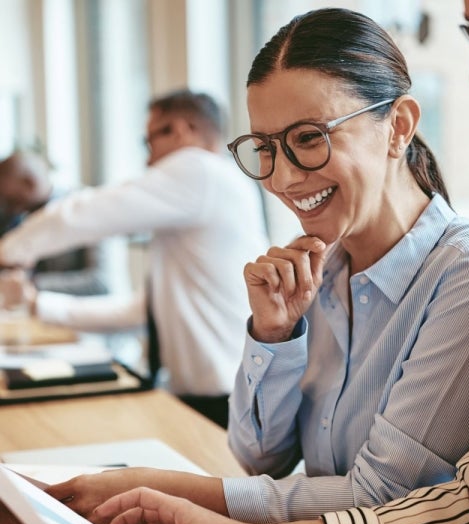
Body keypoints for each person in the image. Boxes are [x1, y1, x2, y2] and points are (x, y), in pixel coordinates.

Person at [81, 3, 469, 524]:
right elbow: (258, 458)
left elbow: (385, 498)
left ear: (399, 127)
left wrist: (172, 489)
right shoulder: (319, 271)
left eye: (308, 138)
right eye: (266, 148)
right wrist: (273, 336)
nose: (282, 178)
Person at [0, 90, 269, 428]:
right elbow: (143, 312)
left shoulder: (200, 171)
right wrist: (39, 303)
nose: (148, 160)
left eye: (149, 141)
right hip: (212, 391)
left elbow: (90, 211)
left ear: (182, 130)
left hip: (224, 396)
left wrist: (8, 250)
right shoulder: (213, 191)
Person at [0, 150, 129, 297]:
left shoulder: (89, 208)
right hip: (47, 315)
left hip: (96, 314)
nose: (11, 210)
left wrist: (33, 283)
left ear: (30, 183)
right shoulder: (25, 219)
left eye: (11, 201)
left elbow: (101, 282)